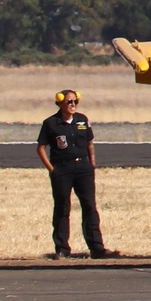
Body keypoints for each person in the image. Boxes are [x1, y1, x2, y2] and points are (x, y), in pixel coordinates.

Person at [36, 89, 118, 259]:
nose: (73, 105)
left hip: (83, 168)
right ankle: (62, 249)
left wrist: (92, 163)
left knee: (89, 206)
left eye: (75, 102)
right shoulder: (51, 123)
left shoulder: (82, 120)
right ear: (60, 104)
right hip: (62, 169)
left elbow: (90, 142)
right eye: (69, 102)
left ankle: (97, 248)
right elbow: (41, 148)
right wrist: (52, 169)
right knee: (62, 208)